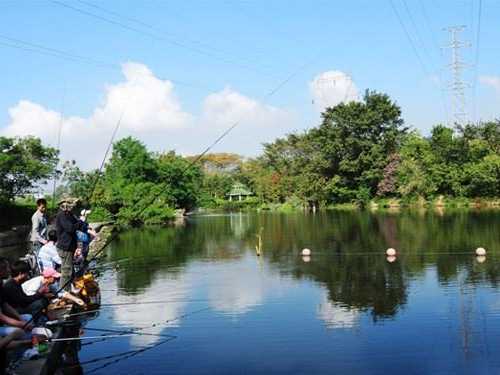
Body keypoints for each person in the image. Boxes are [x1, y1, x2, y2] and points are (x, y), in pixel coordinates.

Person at [55, 198, 89, 292]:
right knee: (66, 271)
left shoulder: (70, 215)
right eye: (68, 204)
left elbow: (80, 227)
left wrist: (83, 219)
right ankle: (63, 292)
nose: (70, 206)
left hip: (71, 247)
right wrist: (80, 221)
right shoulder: (61, 215)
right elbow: (70, 228)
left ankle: (69, 290)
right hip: (65, 247)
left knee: (70, 270)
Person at [0, 258, 33, 341]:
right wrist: (21, 324)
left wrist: (20, 319)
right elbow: (1, 317)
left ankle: (31, 343)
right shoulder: (9, 285)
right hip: (2, 324)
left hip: (4, 321)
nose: (9, 270)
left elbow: (5, 305)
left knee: (28, 318)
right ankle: (24, 350)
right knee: (18, 331)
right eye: (7, 268)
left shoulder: (0, 284)